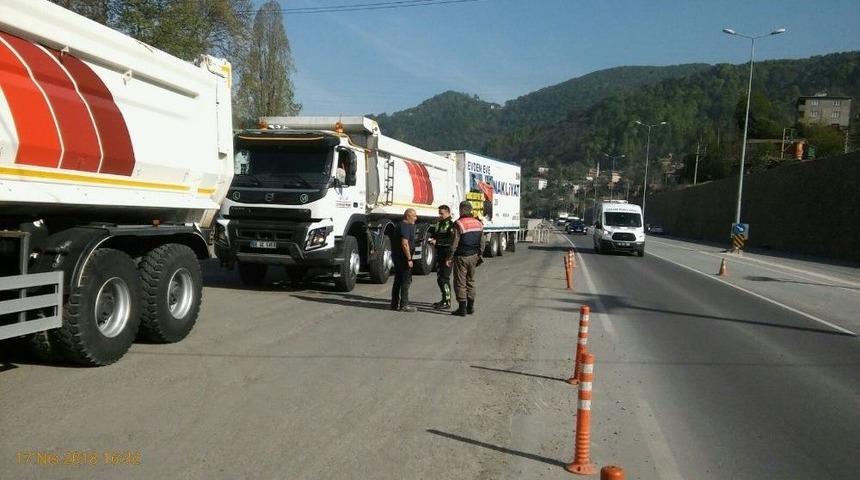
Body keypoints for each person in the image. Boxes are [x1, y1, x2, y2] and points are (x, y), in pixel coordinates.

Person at [446, 201, 485, 316]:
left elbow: (454, 243)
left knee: (460, 282)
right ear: (471, 210)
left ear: (461, 210)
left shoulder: (458, 223)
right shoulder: (478, 223)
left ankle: (462, 309)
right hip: (474, 256)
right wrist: (480, 254)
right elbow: (482, 242)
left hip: (461, 256)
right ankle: (470, 307)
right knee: (471, 281)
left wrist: (450, 257)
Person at [428, 205, 454, 309]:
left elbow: (451, 241)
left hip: (447, 255)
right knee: (440, 279)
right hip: (439, 254)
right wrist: (432, 239)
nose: (440, 215)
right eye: (439, 213)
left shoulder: (451, 225)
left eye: (442, 213)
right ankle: (444, 299)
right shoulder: (439, 223)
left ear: (448, 213)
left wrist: (437, 241)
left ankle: (447, 302)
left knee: (444, 279)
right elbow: (435, 235)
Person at [391, 208, 418, 312]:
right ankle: (404, 305)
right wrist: (409, 259)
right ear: (408, 216)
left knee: (397, 280)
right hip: (403, 258)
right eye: (414, 216)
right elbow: (404, 243)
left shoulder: (401, 225)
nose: (416, 218)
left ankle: (394, 304)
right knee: (405, 281)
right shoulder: (405, 226)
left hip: (398, 257)